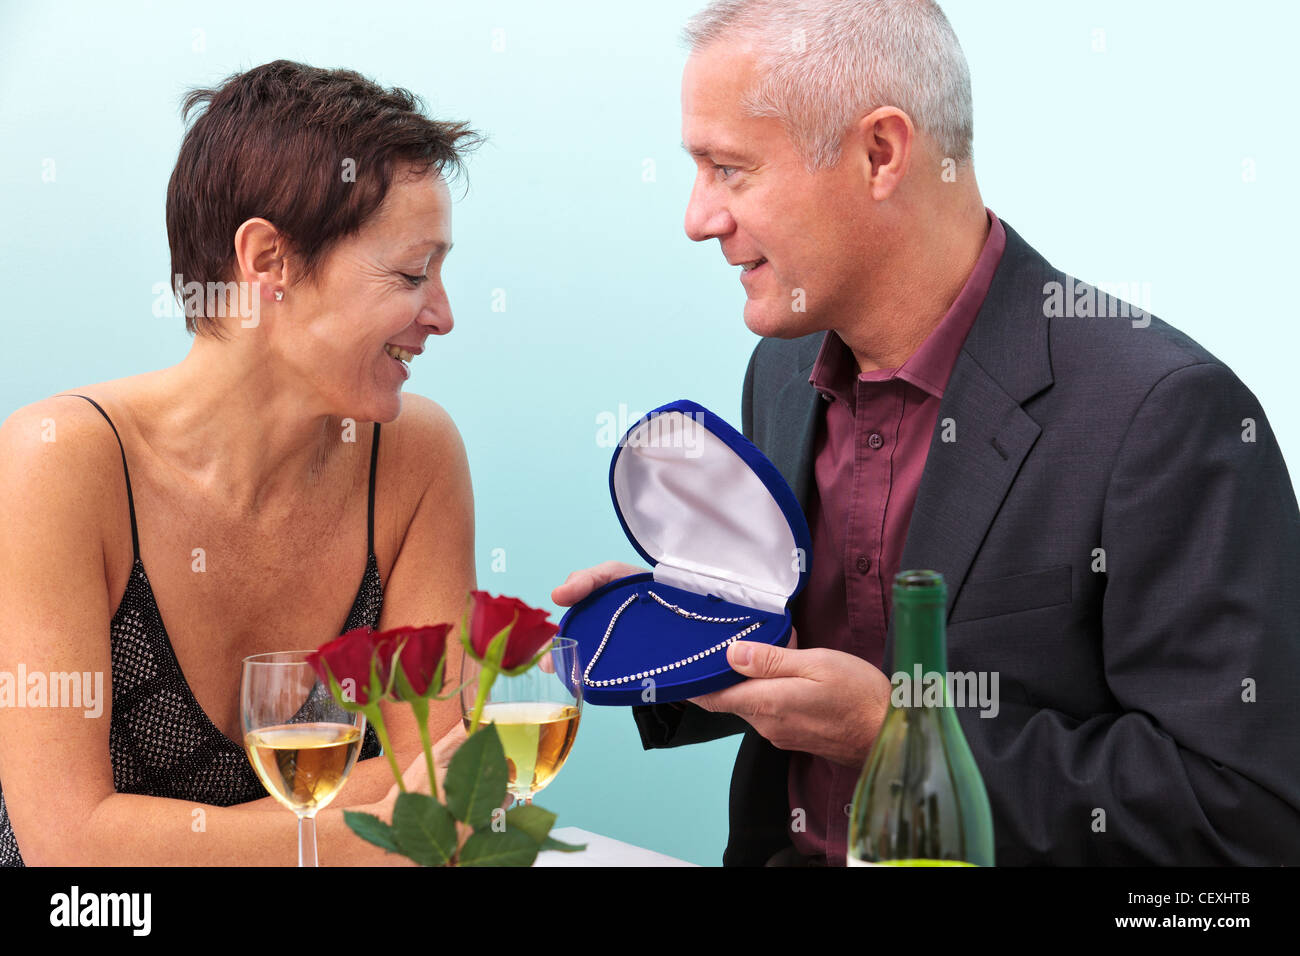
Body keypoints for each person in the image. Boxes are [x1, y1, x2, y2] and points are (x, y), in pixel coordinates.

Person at [554, 0, 1300, 865]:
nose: (698, 217)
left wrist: (893, 735)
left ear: (881, 153)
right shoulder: (785, 372)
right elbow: (807, 657)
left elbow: (1245, 814)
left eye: (729, 169)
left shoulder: (1166, 413)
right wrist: (683, 635)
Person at [0, 60, 477, 865]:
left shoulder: (414, 456)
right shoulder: (62, 460)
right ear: (266, 261)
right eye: (409, 272)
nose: (443, 314)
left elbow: (450, 794)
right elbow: (70, 848)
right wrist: (360, 829)